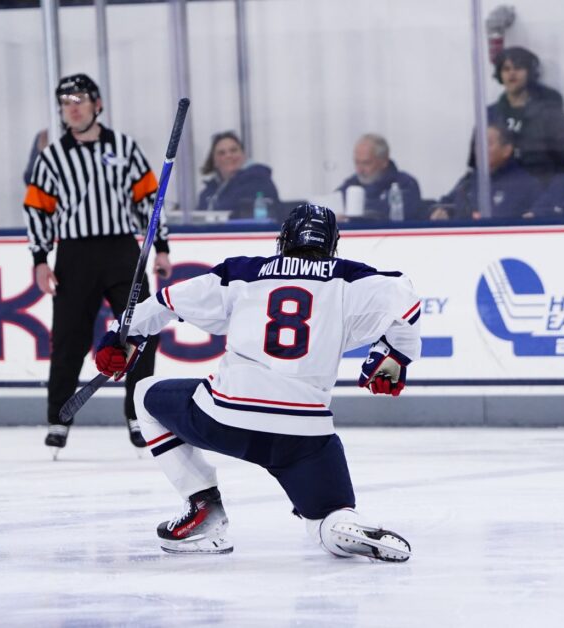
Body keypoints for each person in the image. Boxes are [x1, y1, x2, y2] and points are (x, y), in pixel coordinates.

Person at [94, 204, 421, 560]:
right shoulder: (351, 279)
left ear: (284, 239)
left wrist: (122, 335)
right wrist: (393, 358)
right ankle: (338, 523)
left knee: (144, 395)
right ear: (332, 244)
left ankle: (205, 510)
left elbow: (166, 301)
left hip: (227, 417)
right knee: (327, 517)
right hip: (305, 434)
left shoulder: (244, 272)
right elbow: (407, 302)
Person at [22, 73, 172, 453]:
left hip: (121, 251)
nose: (72, 107)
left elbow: (149, 200)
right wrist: (40, 257)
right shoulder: (52, 157)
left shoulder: (123, 147)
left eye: (79, 99)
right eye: (65, 101)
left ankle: (137, 412)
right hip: (74, 254)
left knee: (142, 330)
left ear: (97, 104)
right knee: (69, 340)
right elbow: (37, 208)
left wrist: (162, 247)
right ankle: (59, 418)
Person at [475, 46, 564, 184]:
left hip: (539, 184)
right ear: (500, 74)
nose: (512, 74)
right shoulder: (489, 114)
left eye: (518, 68)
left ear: (529, 73)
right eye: (506, 69)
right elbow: (476, 161)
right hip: (499, 186)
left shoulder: (548, 112)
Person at [431, 123, 542, 220]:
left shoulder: (525, 184)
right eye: (478, 144)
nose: (480, 149)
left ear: (507, 150)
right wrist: (442, 212)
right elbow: (445, 204)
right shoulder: (468, 182)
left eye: (488, 144)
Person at [336, 134, 422, 221]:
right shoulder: (351, 184)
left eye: (366, 163)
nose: (360, 170)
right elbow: (333, 204)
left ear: (384, 162)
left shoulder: (405, 183)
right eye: (357, 162)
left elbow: (404, 213)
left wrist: (360, 211)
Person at [196, 131, 280, 219]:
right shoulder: (207, 193)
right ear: (214, 161)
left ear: (243, 155)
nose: (228, 155)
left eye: (233, 150)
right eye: (221, 153)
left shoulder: (259, 181)